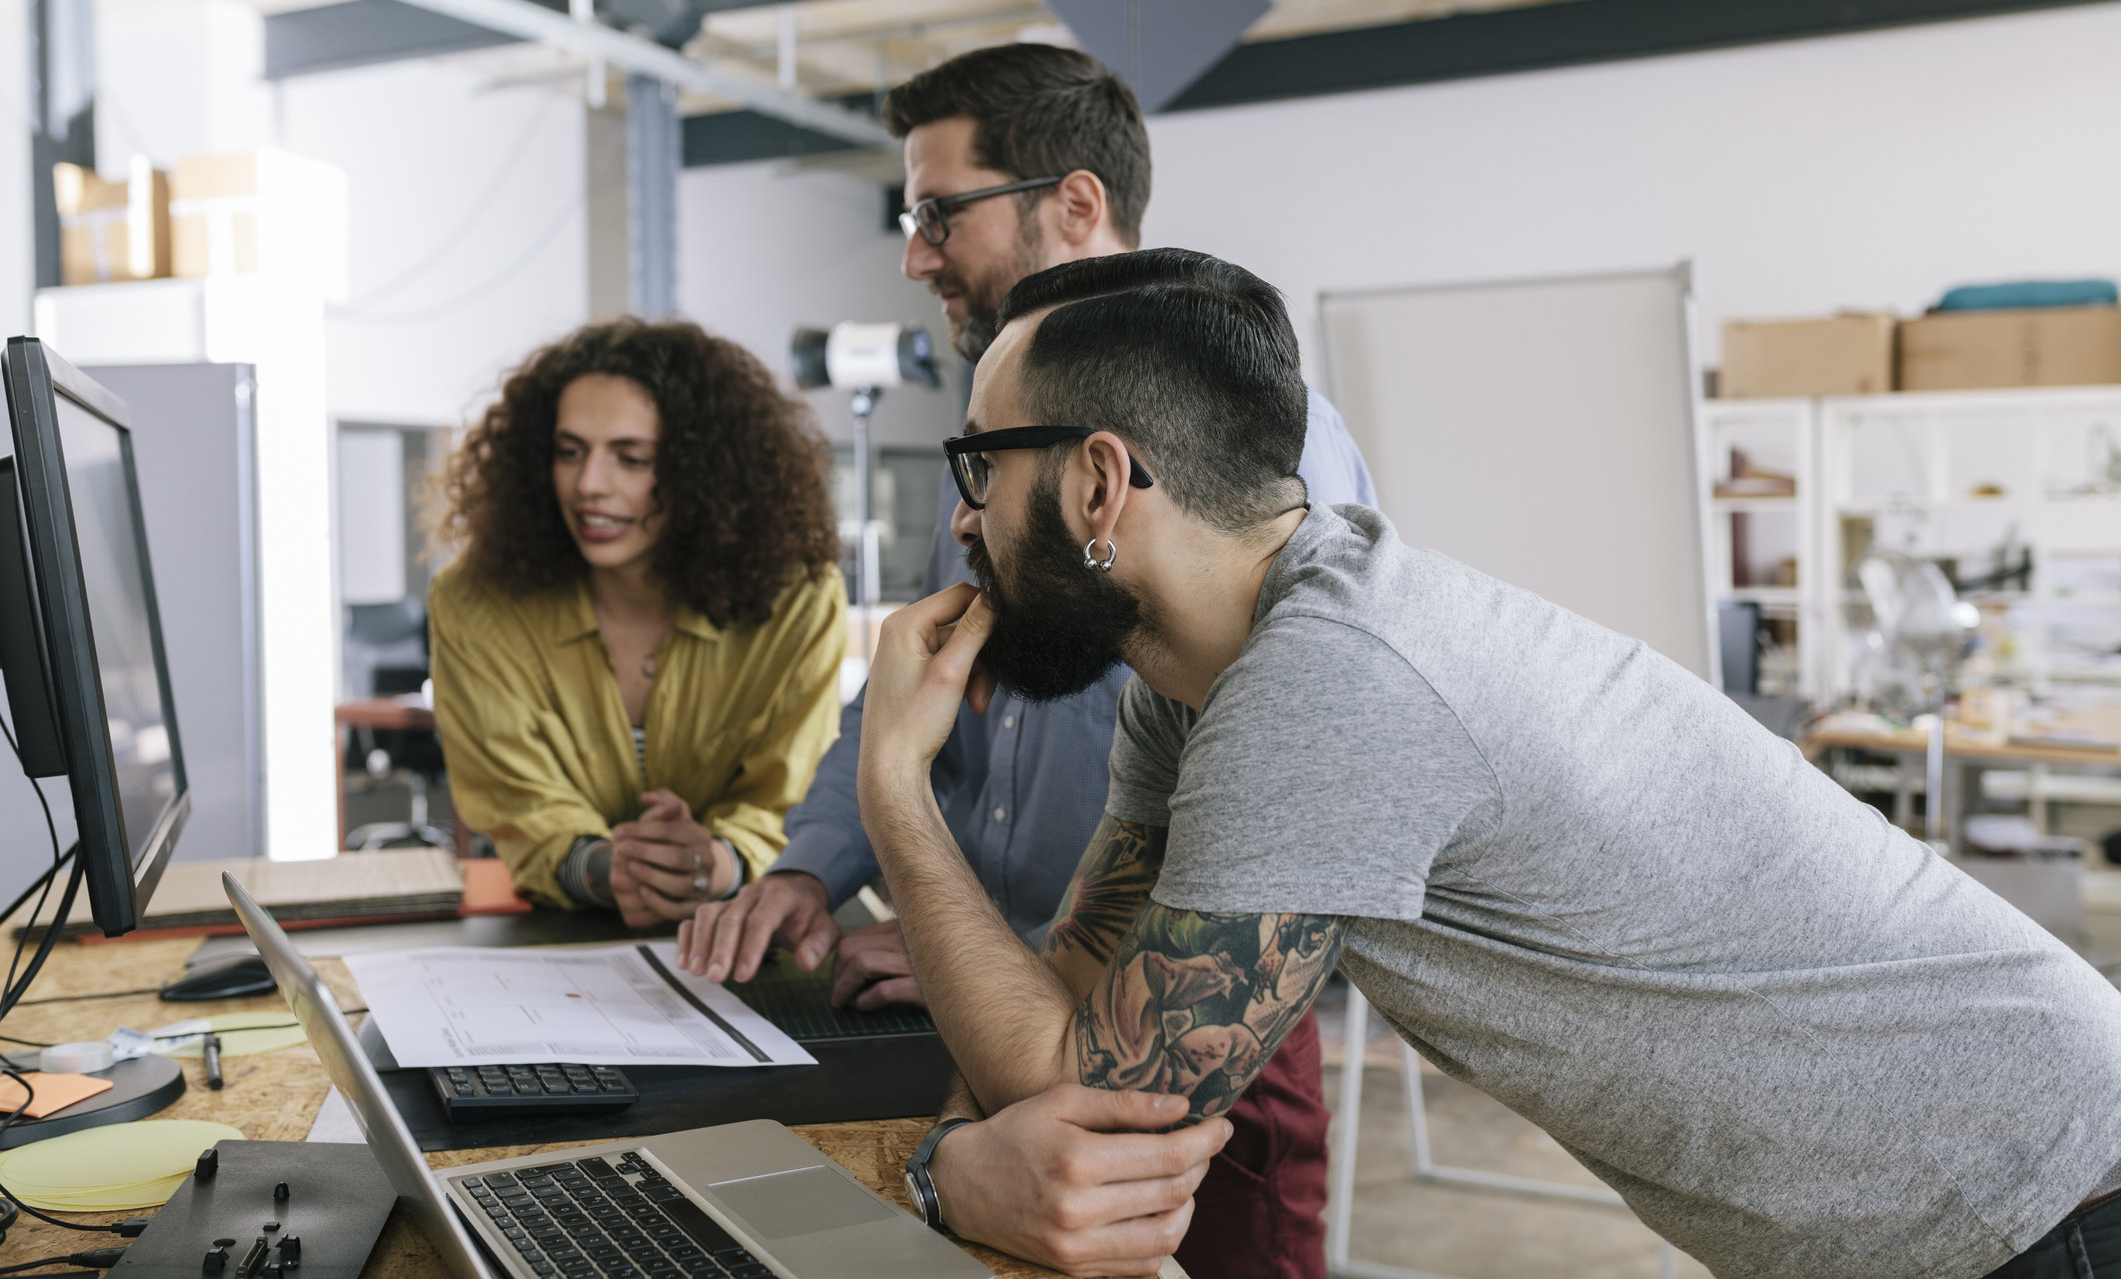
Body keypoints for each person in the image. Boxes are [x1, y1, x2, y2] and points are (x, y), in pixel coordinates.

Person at [701, 246, 2121, 1279]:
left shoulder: (1329, 681)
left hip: (2041, 1191)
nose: (961, 524)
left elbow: (1095, 1083)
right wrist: (973, 1158)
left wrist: (896, 790)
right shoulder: (1196, 683)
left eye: (979, 471)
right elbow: (1069, 1017)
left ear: (1095, 485)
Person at [682, 44, 1370, 1279]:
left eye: (938, 211)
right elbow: (927, 678)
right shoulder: (1008, 423)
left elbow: (1274, 790)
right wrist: (815, 871)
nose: (914, 254)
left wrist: (984, 946)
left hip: (1190, 1036)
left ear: (1075, 203)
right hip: (1008, 1005)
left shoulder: (1255, 439)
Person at [430, 318, 847, 926]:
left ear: (702, 472)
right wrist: (609, 869)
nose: (589, 486)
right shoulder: (475, 601)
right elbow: (521, 807)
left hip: (750, 927)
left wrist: (714, 864)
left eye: (632, 458)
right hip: (560, 940)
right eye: (569, 452)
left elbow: (787, 799)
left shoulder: (799, 599)